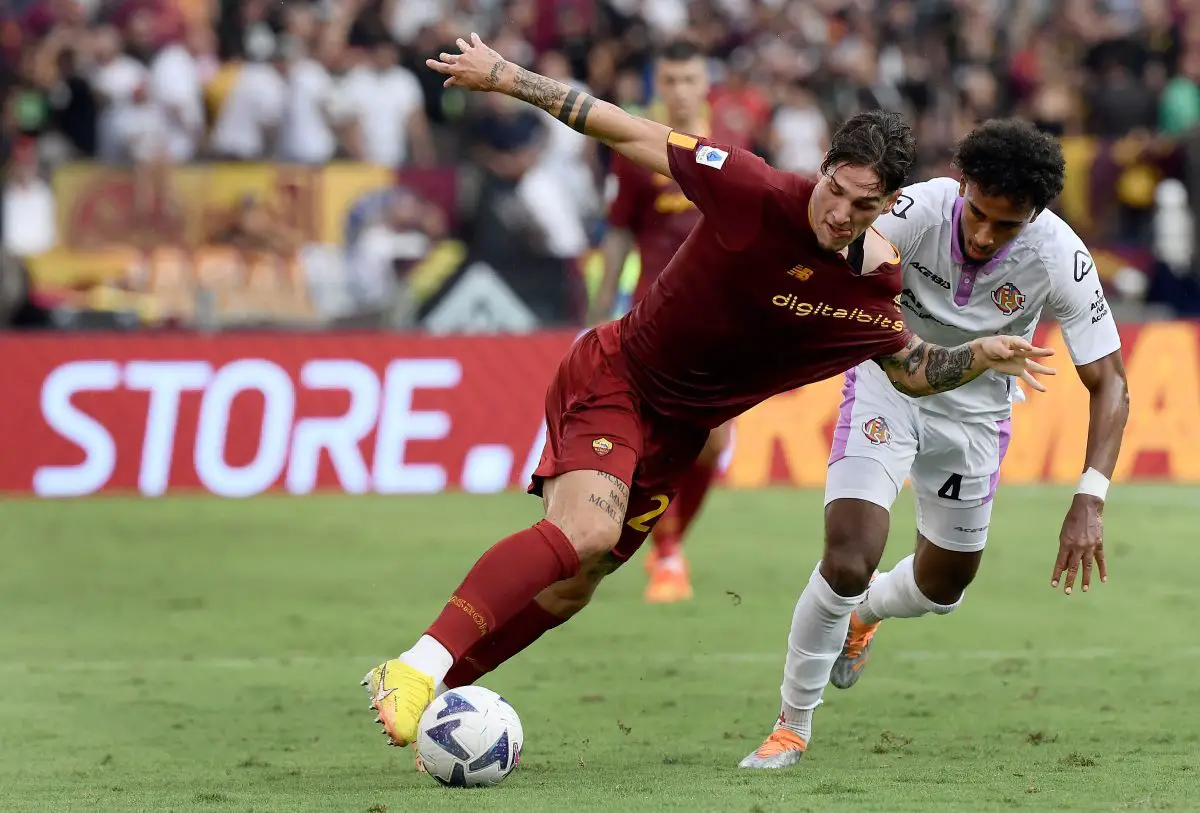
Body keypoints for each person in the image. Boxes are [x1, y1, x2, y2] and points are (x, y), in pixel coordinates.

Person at [364, 33, 1055, 754]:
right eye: (836, 192)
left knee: (574, 585)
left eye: (863, 205)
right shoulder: (752, 189)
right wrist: (505, 76)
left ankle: (436, 695)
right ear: (821, 171)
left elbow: (910, 368)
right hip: (618, 376)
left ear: (890, 205)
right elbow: (622, 127)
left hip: (680, 432)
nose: (840, 213)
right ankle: (415, 666)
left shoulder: (872, 294)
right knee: (588, 531)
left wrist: (976, 354)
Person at [739, 119, 1130, 769]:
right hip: (888, 388)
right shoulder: (921, 206)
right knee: (848, 557)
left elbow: (1110, 380)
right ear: (964, 185)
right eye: (977, 212)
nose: (982, 234)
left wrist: (1091, 496)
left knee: (944, 586)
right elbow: (847, 256)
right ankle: (791, 724)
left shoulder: (1060, 253)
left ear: (1035, 216)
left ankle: (864, 618)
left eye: (1006, 225)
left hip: (975, 422)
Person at [588, 39, 725, 604]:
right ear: (658, 86)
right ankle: (665, 554)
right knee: (658, 442)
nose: (681, 91)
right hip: (655, 316)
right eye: (670, 81)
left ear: (705, 83)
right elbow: (620, 233)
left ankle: (665, 543)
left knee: (714, 445)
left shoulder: (732, 146)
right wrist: (599, 311)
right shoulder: (641, 148)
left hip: (724, 319)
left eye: (690, 79)